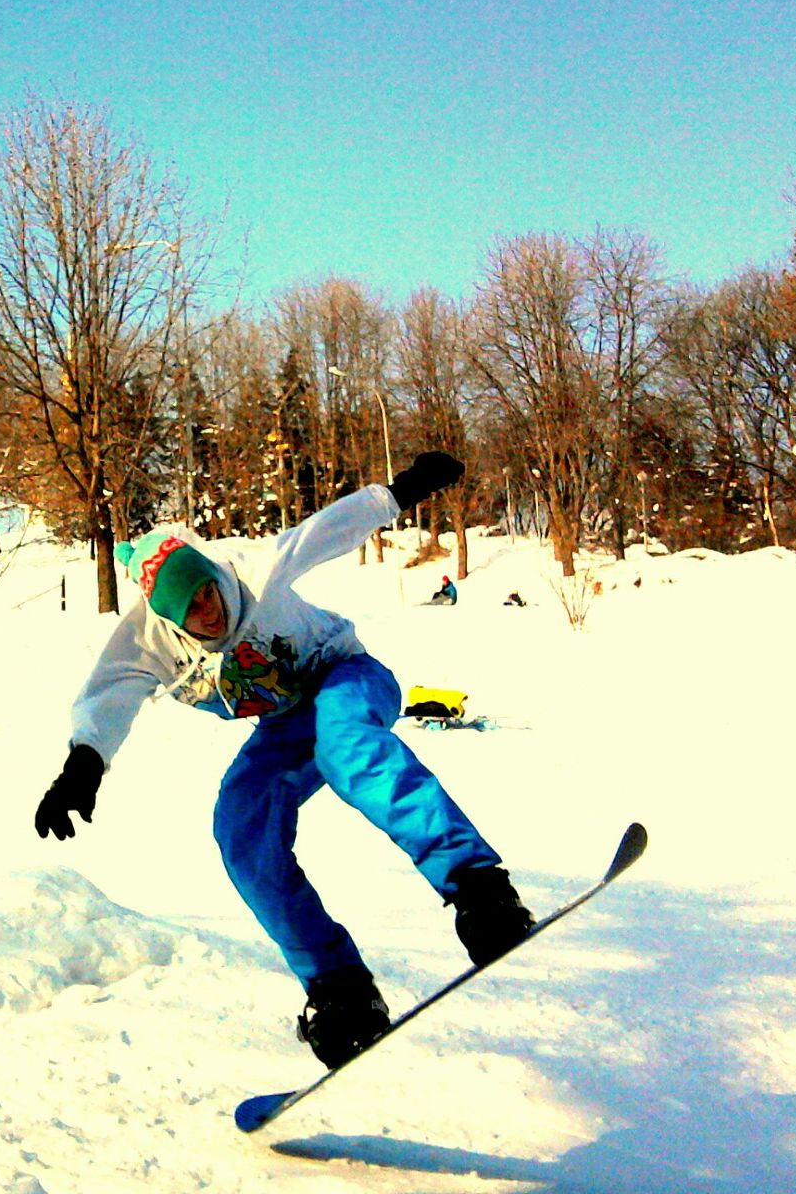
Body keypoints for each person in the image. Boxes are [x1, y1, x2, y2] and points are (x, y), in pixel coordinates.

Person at [34, 453, 533, 1069]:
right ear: (167, 615)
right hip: (286, 723)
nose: (209, 611)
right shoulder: (146, 639)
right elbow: (108, 694)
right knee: (240, 829)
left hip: (346, 675)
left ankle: (479, 889)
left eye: (208, 593)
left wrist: (400, 493)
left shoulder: (248, 567)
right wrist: (84, 763)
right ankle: (339, 988)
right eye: (191, 609)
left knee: (348, 750)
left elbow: (328, 529)